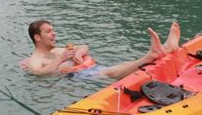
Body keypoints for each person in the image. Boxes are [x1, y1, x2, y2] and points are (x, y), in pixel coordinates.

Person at [23, 20, 180, 79]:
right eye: (49, 31)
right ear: (37, 37)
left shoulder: (56, 49)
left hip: (86, 69)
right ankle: (152, 55)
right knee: (111, 72)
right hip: (76, 78)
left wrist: (78, 52)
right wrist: (60, 59)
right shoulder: (35, 60)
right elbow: (38, 73)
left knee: (121, 65)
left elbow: (84, 46)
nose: (54, 33)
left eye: (53, 30)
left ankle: (165, 48)